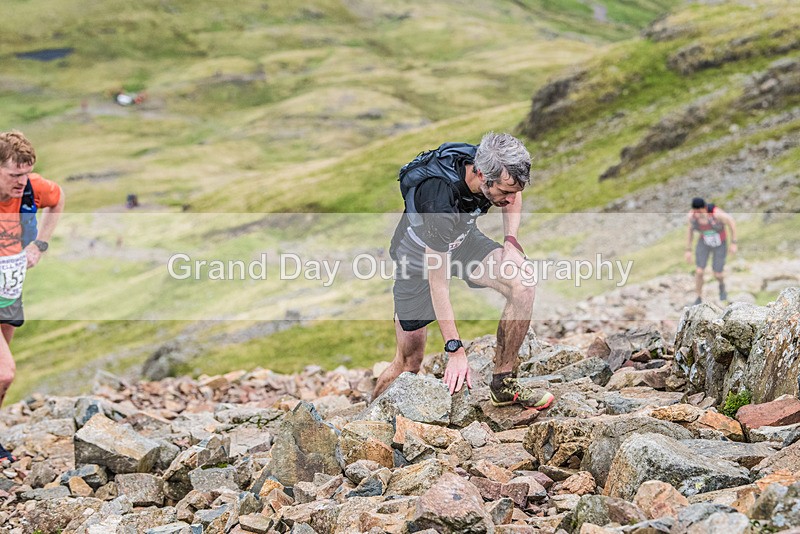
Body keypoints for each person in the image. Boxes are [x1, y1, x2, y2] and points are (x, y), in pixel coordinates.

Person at [372, 132, 554, 410]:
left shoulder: (491, 163)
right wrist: (455, 350)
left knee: (523, 282)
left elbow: (513, 195)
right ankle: (368, 418)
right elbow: (439, 285)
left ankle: (503, 384)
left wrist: (511, 242)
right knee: (409, 362)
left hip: (462, 239)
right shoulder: (438, 200)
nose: (509, 198)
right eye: (503, 192)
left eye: (514, 190)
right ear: (481, 175)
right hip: (419, 257)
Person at [0, 131, 65, 461]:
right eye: (14, 175)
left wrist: (40, 243)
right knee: (4, 372)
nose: (21, 182)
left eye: (25, 174)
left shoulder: (33, 188)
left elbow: (58, 198)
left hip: (9, 290)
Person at [685, 197, 737, 305]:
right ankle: (698, 297)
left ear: (704, 208)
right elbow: (690, 231)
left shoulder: (717, 214)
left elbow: (731, 222)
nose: (697, 214)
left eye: (699, 211)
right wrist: (688, 250)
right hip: (704, 242)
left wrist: (733, 243)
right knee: (699, 271)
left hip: (720, 244)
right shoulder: (692, 217)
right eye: (695, 211)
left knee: (718, 274)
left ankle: (722, 287)